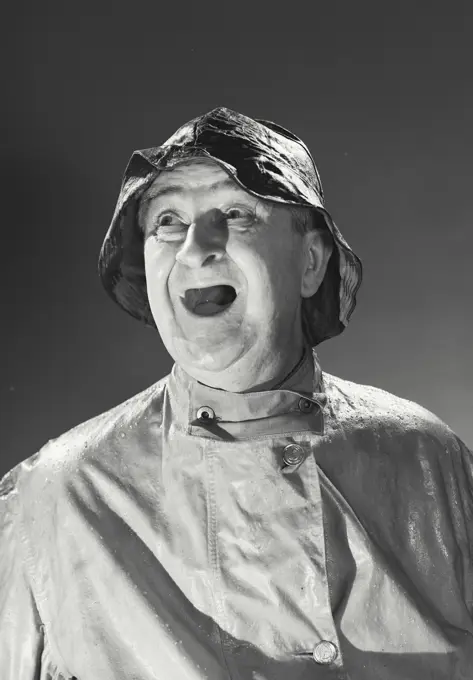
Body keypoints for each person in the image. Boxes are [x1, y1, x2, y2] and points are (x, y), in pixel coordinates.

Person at [1, 107, 472, 680]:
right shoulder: (56, 501)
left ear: (311, 261)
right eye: (168, 221)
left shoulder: (431, 462)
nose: (196, 248)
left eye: (236, 213)